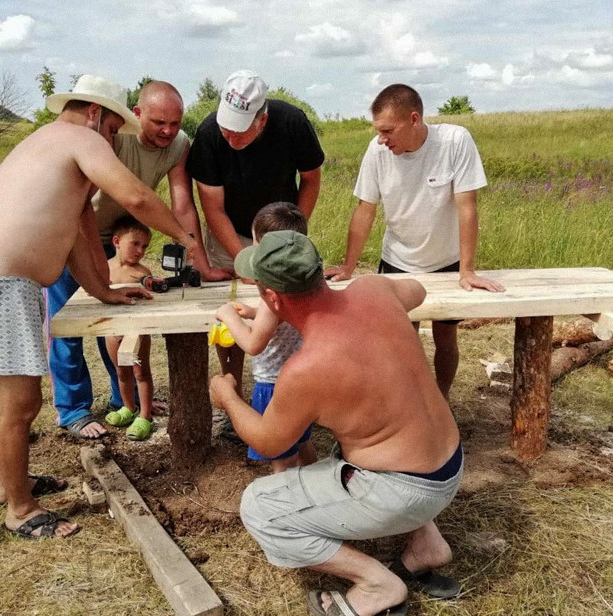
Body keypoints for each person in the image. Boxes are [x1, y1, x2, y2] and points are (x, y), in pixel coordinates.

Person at [0, 74, 197, 539]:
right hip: (0, 286)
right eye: (111, 130)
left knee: (9, 396)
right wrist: (187, 240)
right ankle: (21, 511)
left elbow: (80, 231)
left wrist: (104, 291)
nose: (110, 141)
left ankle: (12, 484)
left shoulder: (51, 147)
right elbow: (135, 197)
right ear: (93, 113)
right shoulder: (77, 137)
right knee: (19, 401)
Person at [210, 231, 464, 616]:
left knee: (259, 506)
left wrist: (227, 396)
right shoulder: (374, 289)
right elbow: (418, 291)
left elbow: (268, 442)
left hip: (404, 489)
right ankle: (427, 543)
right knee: (360, 432)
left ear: (272, 298)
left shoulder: (306, 371)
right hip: (448, 465)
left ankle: (376, 585)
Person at [46, 80, 230, 440]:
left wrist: (200, 261)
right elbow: (119, 199)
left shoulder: (179, 145)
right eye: (159, 122)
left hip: (121, 241)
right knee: (69, 323)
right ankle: (73, 410)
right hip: (74, 236)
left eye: (175, 123)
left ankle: (124, 400)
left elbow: (182, 202)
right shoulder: (114, 135)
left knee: (115, 323)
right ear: (137, 114)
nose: (168, 131)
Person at [324, 84, 505, 401]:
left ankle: (442, 398)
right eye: (378, 131)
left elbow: (467, 206)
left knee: (445, 334)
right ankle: (408, 403)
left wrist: (468, 270)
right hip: (397, 260)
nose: (382, 138)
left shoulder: (454, 141)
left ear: (414, 119)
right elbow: (365, 209)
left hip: (446, 260)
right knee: (401, 335)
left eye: (387, 130)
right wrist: (349, 265)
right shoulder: (377, 151)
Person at [187, 69, 325, 395]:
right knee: (231, 308)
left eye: (239, 131)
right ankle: (232, 385)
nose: (230, 137)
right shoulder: (208, 134)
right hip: (229, 231)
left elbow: (311, 179)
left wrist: (294, 234)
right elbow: (212, 208)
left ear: (261, 120)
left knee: (292, 309)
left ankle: (296, 389)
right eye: (226, 127)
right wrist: (243, 260)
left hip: (281, 227)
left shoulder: (292, 122)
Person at [214, 203, 317, 473]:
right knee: (303, 442)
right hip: (302, 380)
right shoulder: (302, 282)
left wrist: (230, 316)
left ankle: (284, 503)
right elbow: (280, 317)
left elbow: (252, 345)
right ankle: (319, 485)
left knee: (281, 457)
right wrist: (252, 312)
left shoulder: (272, 296)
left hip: (273, 386)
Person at [102, 216, 156, 441]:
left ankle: (145, 415)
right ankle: (128, 407)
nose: (140, 251)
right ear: (116, 241)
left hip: (136, 331)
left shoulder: (142, 272)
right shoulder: (104, 269)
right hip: (112, 330)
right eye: (135, 244)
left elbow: (153, 296)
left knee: (140, 373)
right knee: (121, 373)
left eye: (144, 246)